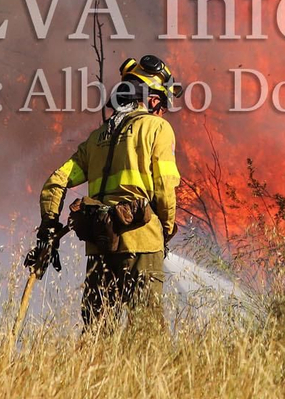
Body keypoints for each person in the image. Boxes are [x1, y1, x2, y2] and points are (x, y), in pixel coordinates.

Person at [34, 54, 181, 328]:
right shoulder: (157, 128)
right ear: (151, 98)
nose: (162, 112)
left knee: (98, 332)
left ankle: (96, 372)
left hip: (100, 246)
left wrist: (49, 227)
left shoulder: (96, 139)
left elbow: (56, 181)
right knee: (146, 332)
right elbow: (164, 186)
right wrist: (167, 229)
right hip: (142, 243)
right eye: (162, 103)